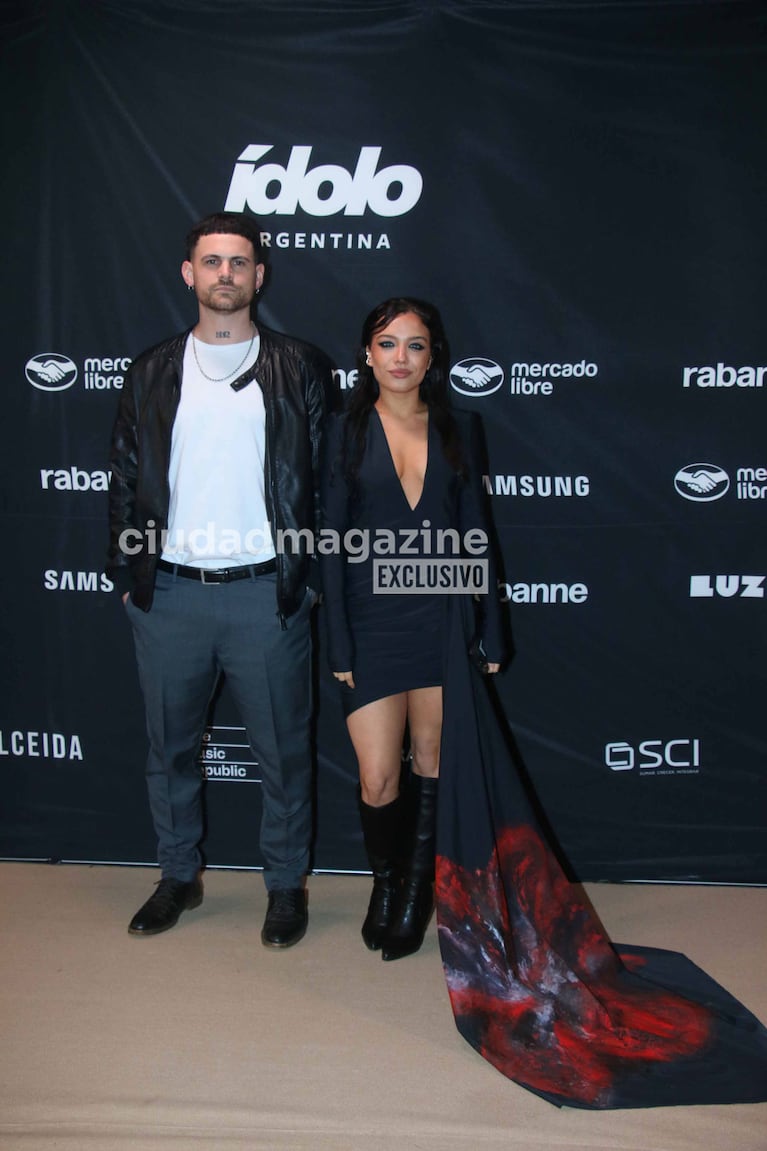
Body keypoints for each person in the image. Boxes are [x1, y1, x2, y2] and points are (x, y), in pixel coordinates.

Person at [107, 211, 332, 948]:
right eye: (212, 262)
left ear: (259, 275)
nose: (225, 275)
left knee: (283, 754)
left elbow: (323, 481)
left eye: (239, 262)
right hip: (168, 594)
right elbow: (124, 479)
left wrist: (304, 577)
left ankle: (284, 886)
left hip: (265, 595)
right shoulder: (152, 370)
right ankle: (178, 876)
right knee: (168, 749)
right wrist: (127, 575)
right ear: (189, 273)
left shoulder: (299, 365)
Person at [320, 297, 506, 961]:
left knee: (430, 763)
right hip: (369, 619)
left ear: (432, 357)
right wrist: (337, 639)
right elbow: (331, 542)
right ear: (366, 353)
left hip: (440, 614)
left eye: (415, 345)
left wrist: (489, 625)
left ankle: (414, 895)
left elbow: (475, 530)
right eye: (387, 342)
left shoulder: (460, 426)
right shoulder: (344, 430)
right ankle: (386, 879)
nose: (400, 357)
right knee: (377, 776)